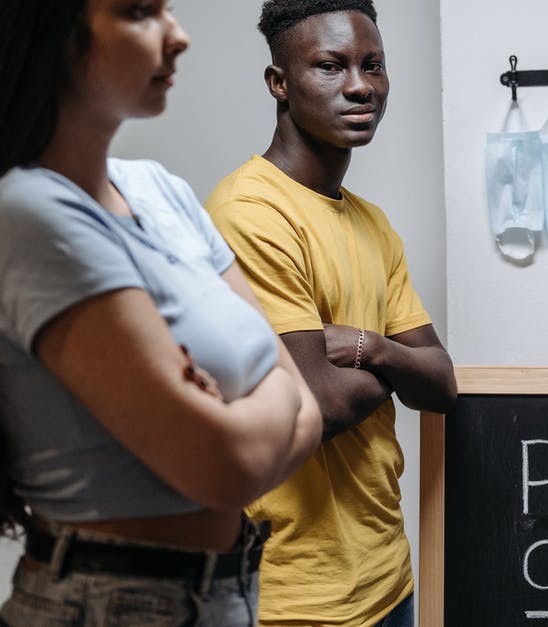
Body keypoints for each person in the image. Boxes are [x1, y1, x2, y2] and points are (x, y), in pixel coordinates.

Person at [0, 0, 323, 624]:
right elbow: (226, 470)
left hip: (226, 594)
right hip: (107, 602)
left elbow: (308, 407)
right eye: (140, 12)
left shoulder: (161, 190)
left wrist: (249, 406)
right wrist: (273, 395)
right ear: (54, 36)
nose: (178, 36)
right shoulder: (30, 213)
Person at [205, 1, 457, 625]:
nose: (359, 86)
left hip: (388, 577)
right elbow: (320, 406)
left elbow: (443, 384)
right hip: (294, 593)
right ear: (279, 83)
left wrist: (364, 346)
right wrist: (388, 368)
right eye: (330, 66)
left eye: (373, 65)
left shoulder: (373, 225)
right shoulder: (252, 212)